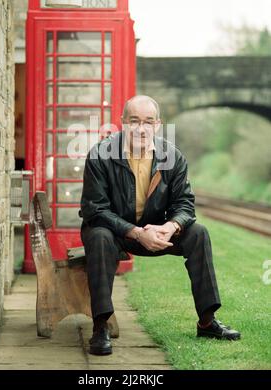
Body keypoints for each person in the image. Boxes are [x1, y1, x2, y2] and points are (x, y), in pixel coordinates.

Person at [80, 95, 241, 356]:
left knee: (198, 233)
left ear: (157, 125)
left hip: (156, 230)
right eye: (134, 121)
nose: (141, 128)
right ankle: (101, 327)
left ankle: (208, 322)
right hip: (114, 231)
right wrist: (135, 232)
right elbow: (93, 209)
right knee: (98, 236)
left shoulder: (173, 157)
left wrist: (171, 227)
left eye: (148, 121)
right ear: (122, 123)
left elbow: (185, 204)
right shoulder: (100, 155)